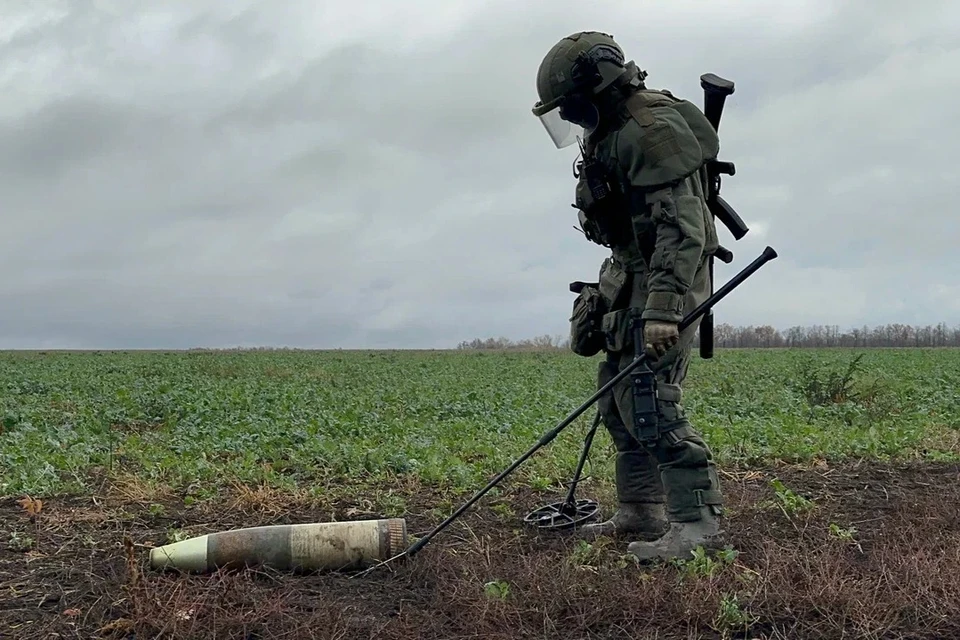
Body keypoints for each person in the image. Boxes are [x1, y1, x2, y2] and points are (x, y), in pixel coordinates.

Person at [532, 31, 726, 561]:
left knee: (652, 404)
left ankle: (697, 526)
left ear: (598, 87)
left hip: (667, 280)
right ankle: (641, 508)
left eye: (571, 109)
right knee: (618, 402)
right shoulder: (611, 131)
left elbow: (683, 228)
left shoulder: (651, 130)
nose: (571, 121)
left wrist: (664, 311)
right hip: (630, 276)